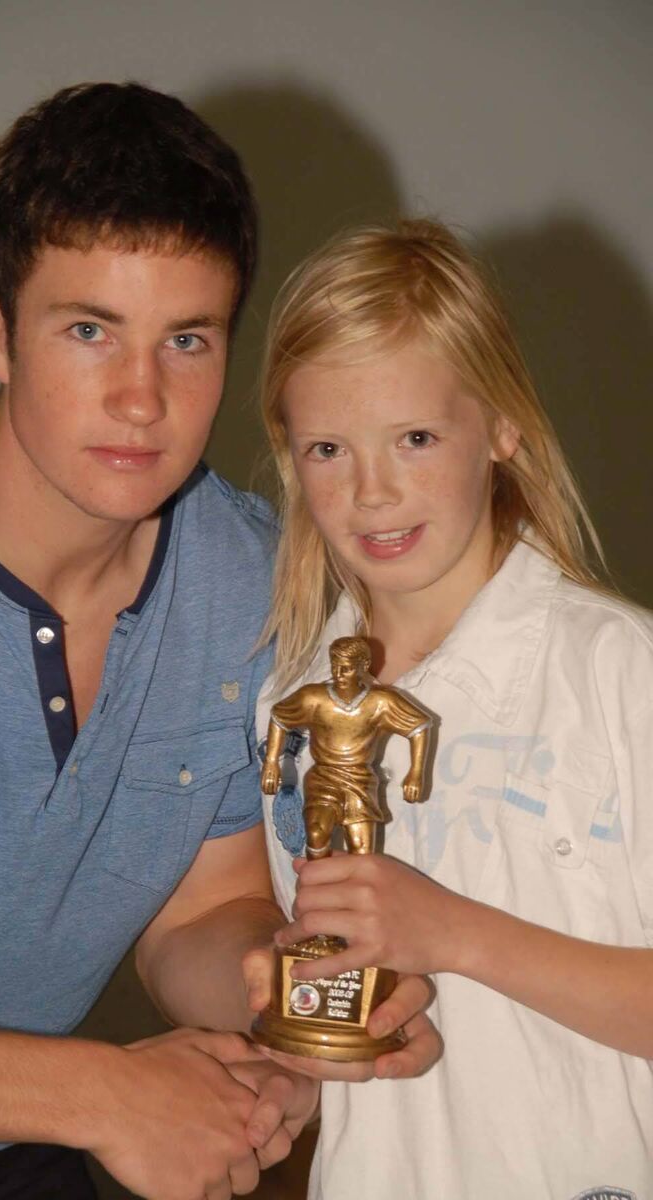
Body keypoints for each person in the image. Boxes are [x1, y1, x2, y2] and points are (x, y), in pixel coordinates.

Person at [0, 80, 328, 1200]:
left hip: (21, 1139)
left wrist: (289, 1008)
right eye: (88, 331)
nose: (141, 399)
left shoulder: (250, 580)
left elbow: (202, 909)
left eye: (187, 340)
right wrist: (106, 1095)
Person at [249, 218, 653, 1199]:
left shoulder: (618, 672)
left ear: (503, 427)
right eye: (329, 449)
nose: (372, 492)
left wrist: (455, 934)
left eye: (416, 439)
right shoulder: (285, 703)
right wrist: (292, 1069)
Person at [261, 636, 431, 857]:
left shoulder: (380, 701)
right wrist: (271, 762)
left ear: (364, 666)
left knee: (361, 847)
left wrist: (416, 773)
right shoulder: (314, 697)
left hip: (360, 780)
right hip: (322, 777)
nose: (339, 674)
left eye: (347, 669)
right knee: (316, 833)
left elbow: (419, 727)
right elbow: (279, 717)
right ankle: (317, 876)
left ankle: (357, 877)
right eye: (335, 666)